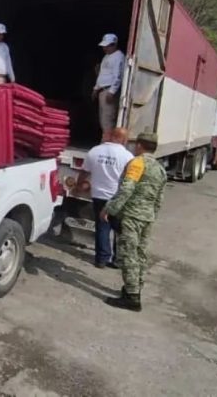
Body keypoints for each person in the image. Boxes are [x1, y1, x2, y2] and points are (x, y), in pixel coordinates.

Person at [100, 132, 167, 312]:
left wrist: (110, 209)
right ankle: (135, 287)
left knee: (128, 254)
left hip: (131, 216)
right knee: (140, 255)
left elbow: (127, 188)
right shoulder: (160, 169)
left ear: (139, 145)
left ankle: (132, 297)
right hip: (147, 218)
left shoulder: (137, 163)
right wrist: (152, 214)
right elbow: (159, 198)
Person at [77, 127, 134, 269]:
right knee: (119, 229)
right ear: (123, 139)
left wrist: (79, 184)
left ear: (111, 136)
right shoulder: (128, 157)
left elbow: (84, 172)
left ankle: (101, 259)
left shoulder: (95, 151)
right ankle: (117, 260)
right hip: (118, 197)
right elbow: (131, 179)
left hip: (99, 195)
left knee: (102, 227)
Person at [93, 33, 126, 133]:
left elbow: (118, 76)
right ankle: (105, 141)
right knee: (103, 120)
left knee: (108, 120)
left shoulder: (119, 57)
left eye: (107, 46)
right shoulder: (106, 57)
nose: (105, 48)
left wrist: (112, 91)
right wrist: (96, 89)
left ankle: (106, 142)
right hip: (102, 91)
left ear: (114, 45)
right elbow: (102, 75)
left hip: (108, 91)